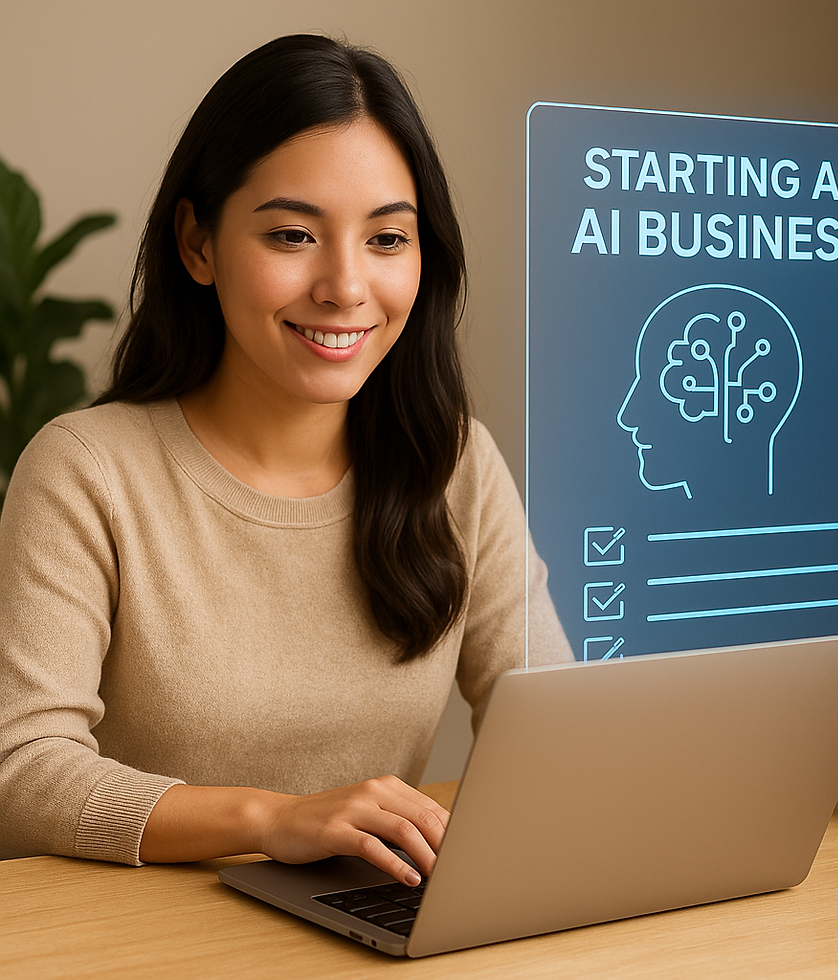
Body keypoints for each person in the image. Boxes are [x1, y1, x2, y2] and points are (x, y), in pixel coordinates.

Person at [0, 34, 571, 886]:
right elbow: (22, 771)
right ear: (197, 244)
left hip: (366, 934)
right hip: (139, 942)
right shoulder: (87, 471)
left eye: (386, 240)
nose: (345, 286)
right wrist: (271, 819)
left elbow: (551, 727)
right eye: (294, 234)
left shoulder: (453, 464)